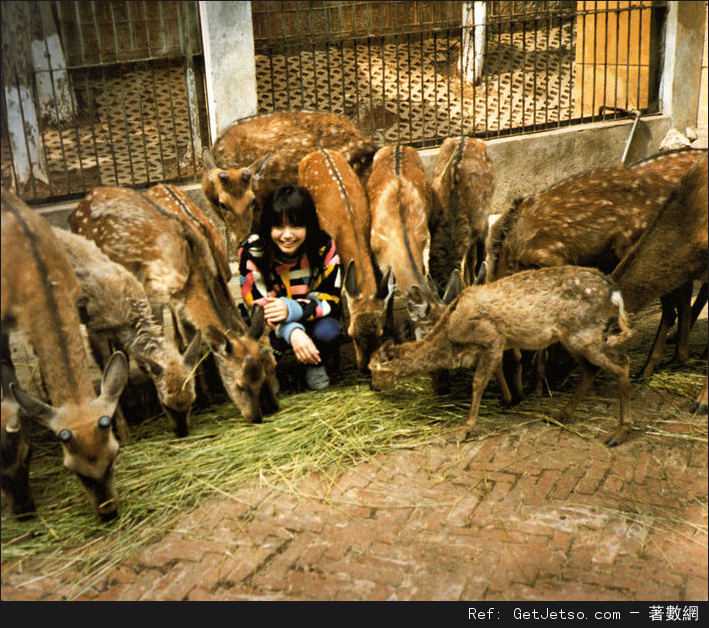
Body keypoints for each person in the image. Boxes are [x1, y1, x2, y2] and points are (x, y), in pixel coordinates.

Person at [237, 185, 342, 391]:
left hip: (311, 317)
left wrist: (292, 310)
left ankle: (314, 362)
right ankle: (270, 369)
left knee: (328, 331)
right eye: (278, 226)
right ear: (268, 226)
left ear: (309, 226)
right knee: (252, 330)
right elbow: (256, 304)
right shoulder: (252, 251)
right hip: (271, 325)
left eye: (295, 225)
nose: (287, 235)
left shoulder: (323, 246)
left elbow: (331, 296)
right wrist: (292, 331)